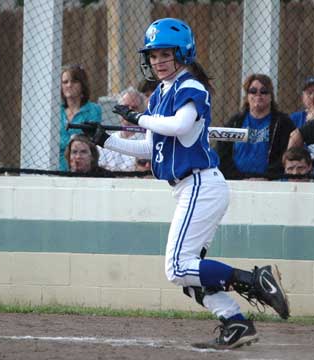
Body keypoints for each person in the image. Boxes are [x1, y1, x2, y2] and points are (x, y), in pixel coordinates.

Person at [80, 18, 289, 349]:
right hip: (188, 189)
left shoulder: (190, 86)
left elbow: (180, 126)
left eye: (166, 54)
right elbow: (151, 146)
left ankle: (253, 280)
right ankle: (235, 323)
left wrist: (138, 118)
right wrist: (105, 141)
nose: (158, 61)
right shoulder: (161, 95)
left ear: (182, 54)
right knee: (191, 276)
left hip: (200, 185)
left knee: (177, 267)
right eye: (153, 55)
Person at [216, 74, 295, 180]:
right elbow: (222, 154)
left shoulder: (282, 123)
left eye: (264, 91)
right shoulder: (235, 122)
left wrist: (266, 177)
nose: (258, 95)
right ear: (247, 96)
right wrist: (239, 178)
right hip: (237, 181)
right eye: (253, 91)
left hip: (271, 182)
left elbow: (287, 155)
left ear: (271, 96)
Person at [59, 64, 102, 171]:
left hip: (83, 169)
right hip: (56, 167)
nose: (69, 85)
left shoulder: (93, 109)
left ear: (82, 85)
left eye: (74, 81)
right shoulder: (56, 111)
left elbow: (88, 140)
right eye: (65, 82)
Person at [98, 87, 147, 171]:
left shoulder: (146, 140)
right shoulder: (107, 139)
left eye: (134, 108)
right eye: (125, 107)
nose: (129, 112)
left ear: (142, 112)